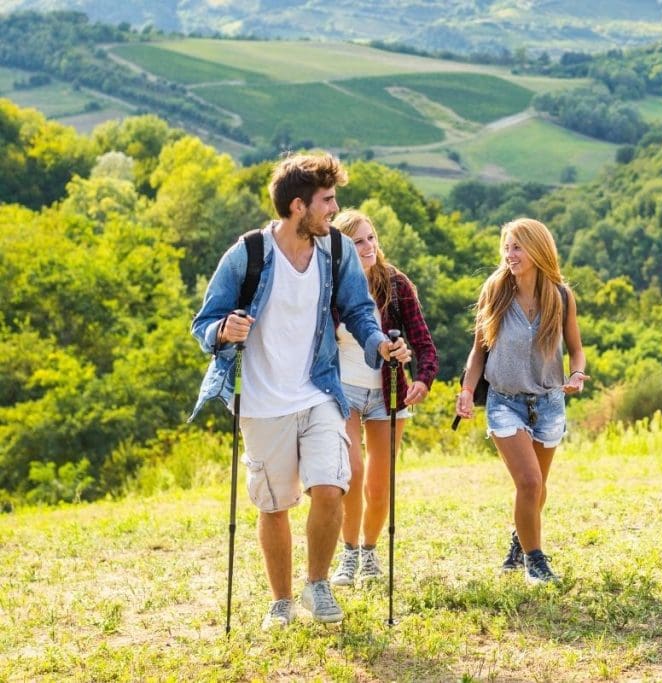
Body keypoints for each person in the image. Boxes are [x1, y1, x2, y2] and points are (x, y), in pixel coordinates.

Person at [189, 153, 411, 630]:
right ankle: (282, 601)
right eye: (327, 201)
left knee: (331, 487)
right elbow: (204, 323)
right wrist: (224, 330)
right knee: (274, 504)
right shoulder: (248, 254)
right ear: (297, 206)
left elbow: (358, 310)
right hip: (263, 401)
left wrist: (379, 344)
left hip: (318, 390)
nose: (334, 210)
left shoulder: (335, 250)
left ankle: (318, 583)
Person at [454, 218, 588, 585]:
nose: (510, 255)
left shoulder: (560, 296)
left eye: (517, 247)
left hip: (548, 402)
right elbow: (478, 353)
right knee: (529, 483)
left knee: (537, 489)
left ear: (538, 249)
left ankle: (519, 539)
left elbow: (576, 351)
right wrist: (466, 391)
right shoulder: (495, 291)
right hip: (504, 402)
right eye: (507, 247)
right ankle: (536, 561)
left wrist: (576, 375)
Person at [328, 209, 439, 586]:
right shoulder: (330, 286)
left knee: (379, 484)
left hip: (389, 392)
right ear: (342, 247)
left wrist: (422, 380)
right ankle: (348, 555)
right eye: (358, 241)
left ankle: (370, 552)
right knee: (352, 472)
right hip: (344, 389)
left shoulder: (395, 284)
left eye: (371, 237)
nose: (368, 246)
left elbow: (423, 341)